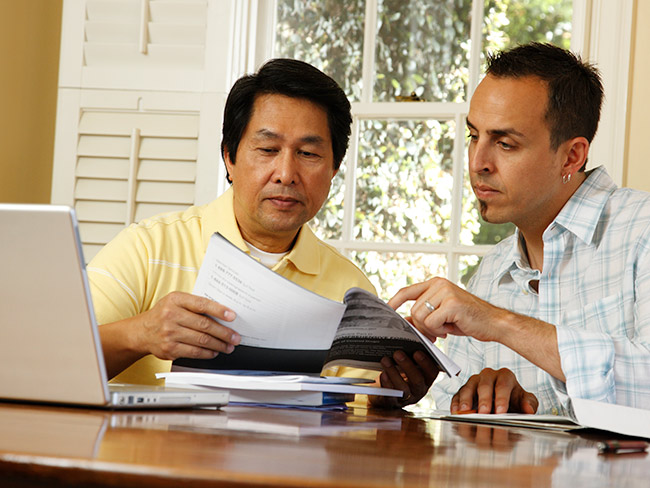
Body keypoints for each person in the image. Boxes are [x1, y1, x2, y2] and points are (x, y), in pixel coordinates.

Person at [384, 42, 650, 415]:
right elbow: (449, 423)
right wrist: (466, 402)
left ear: (572, 156)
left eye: (505, 143)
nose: (478, 162)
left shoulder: (642, 231)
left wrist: (500, 323)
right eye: (474, 135)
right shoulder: (490, 276)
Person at [87, 58, 378, 385]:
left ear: (333, 171)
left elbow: (363, 415)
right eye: (268, 149)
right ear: (230, 157)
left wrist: (400, 395)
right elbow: (55, 359)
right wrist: (140, 333)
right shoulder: (147, 248)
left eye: (308, 154)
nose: (285, 174)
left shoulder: (353, 293)